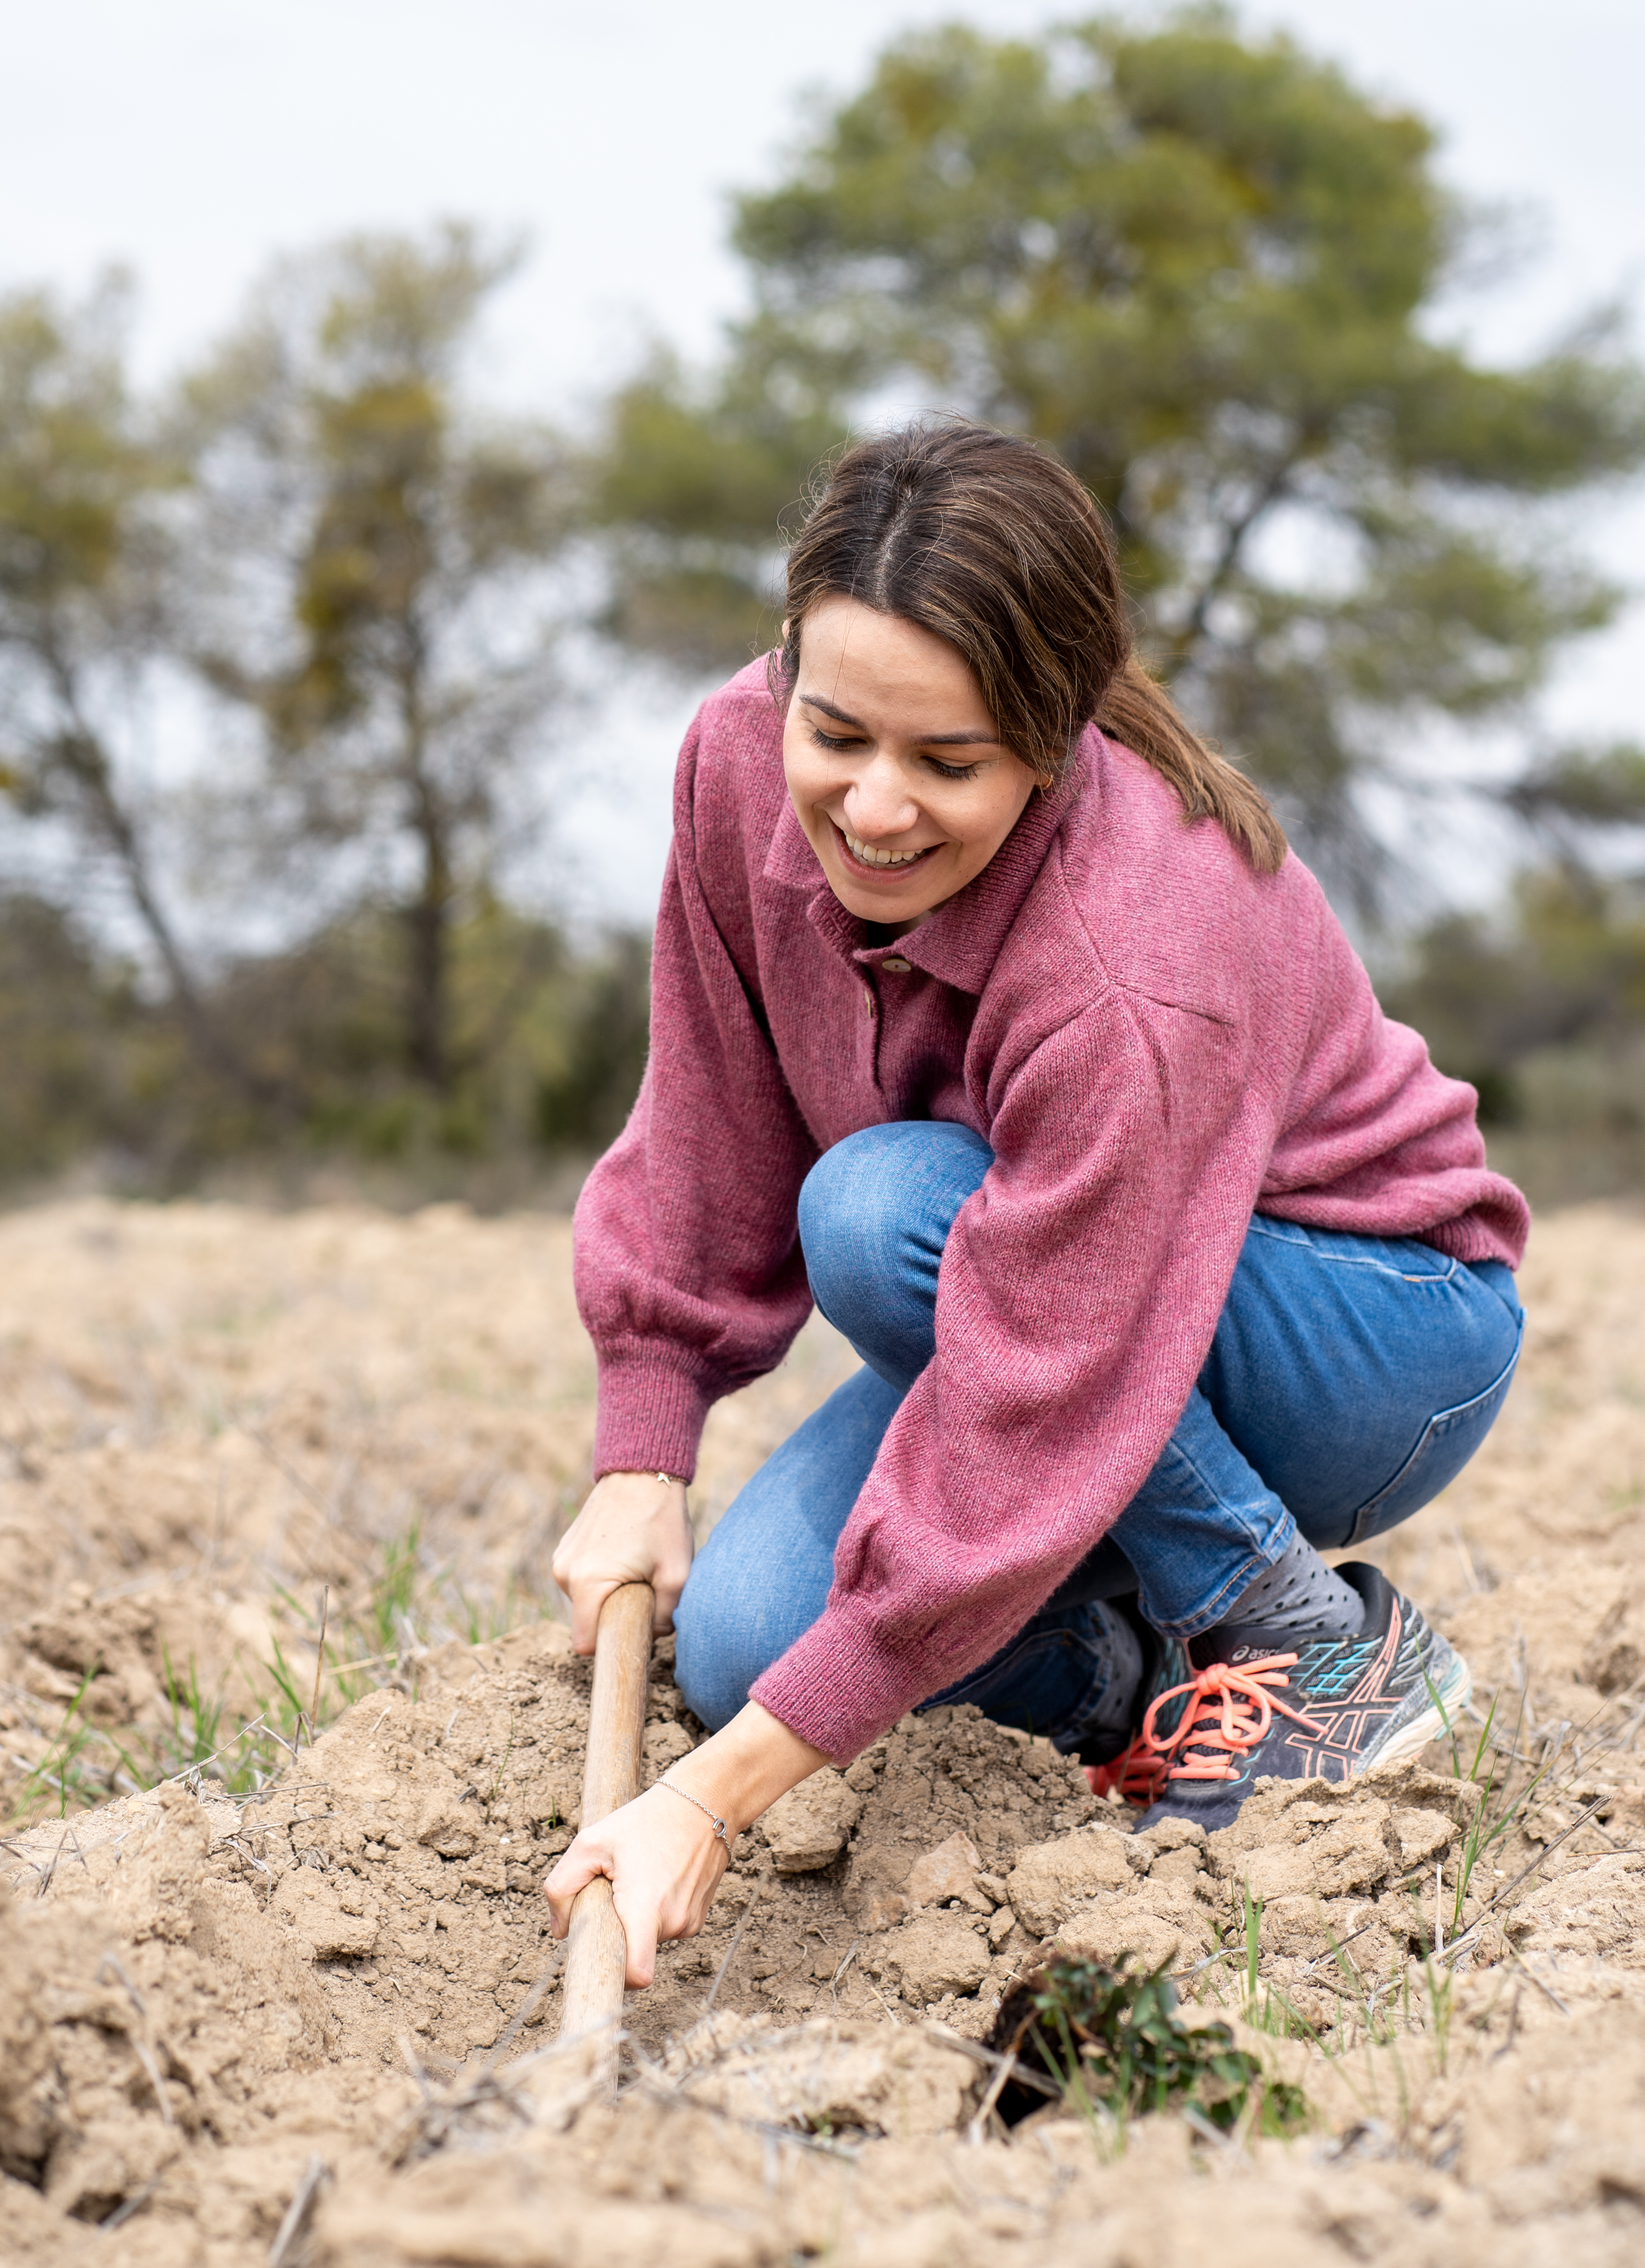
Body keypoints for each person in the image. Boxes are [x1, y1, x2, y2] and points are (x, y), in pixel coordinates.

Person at [543, 421, 1527, 1989]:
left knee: (880, 1208)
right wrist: (645, 1439)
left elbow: (1034, 1389)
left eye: (950, 765)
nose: (872, 809)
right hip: (1063, 1281)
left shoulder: (1134, 952)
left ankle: (1309, 1639)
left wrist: (705, 1804)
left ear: (1057, 739)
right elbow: (709, 1105)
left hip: (1373, 1331)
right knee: (744, 1648)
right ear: (786, 663)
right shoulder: (732, 763)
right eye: (838, 733)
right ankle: (1136, 1680)